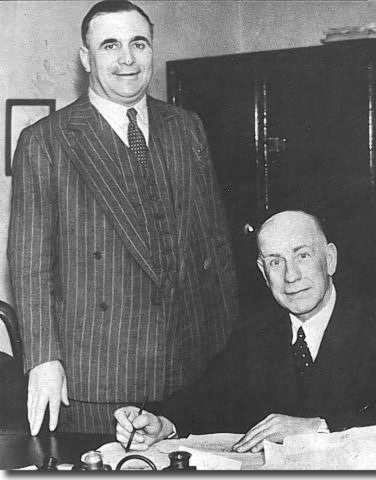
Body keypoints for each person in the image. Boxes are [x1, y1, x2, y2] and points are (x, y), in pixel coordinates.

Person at [8, 0, 238, 435]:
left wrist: (230, 348)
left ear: (152, 49)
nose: (127, 59)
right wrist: (42, 359)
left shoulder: (186, 126)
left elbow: (214, 243)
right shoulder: (48, 141)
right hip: (98, 373)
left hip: (191, 369)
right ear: (86, 58)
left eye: (139, 43)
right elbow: (29, 264)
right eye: (110, 45)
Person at [113, 210, 376, 452]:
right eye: (275, 261)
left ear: (329, 259)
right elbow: (210, 397)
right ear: (262, 271)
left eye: (302, 255)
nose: (291, 276)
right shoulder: (256, 330)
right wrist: (162, 423)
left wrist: (317, 427)